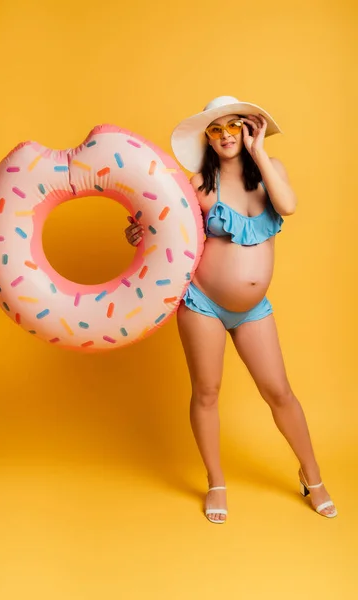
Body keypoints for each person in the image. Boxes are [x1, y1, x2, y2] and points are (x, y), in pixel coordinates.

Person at [125, 96, 337, 524]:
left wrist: (259, 150)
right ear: (206, 137)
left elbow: (289, 206)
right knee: (206, 392)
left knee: (279, 392)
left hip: (253, 308)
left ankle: (312, 476)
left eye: (234, 125)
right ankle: (216, 481)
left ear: (250, 128)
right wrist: (139, 231)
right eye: (216, 129)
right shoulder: (196, 186)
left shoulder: (272, 173)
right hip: (202, 302)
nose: (225, 136)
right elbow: (165, 229)